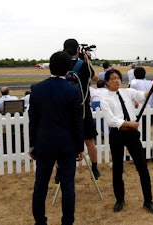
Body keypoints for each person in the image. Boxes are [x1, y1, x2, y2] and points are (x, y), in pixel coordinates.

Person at [29, 51, 84, 225]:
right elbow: (77, 122)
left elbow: (33, 120)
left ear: (50, 67)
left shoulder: (37, 89)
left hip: (43, 144)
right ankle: (67, 221)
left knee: (40, 186)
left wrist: (32, 144)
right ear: (69, 68)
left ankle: (40, 221)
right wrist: (80, 146)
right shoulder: (73, 90)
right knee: (68, 186)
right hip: (67, 145)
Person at [100, 69, 153, 214]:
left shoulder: (128, 92)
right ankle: (119, 199)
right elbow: (111, 120)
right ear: (107, 82)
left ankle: (148, 201)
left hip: (132, 135)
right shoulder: (105, 99)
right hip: (117, 134)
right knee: (118, 168)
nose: (116, 80)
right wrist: (128, 123)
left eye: (118, 78)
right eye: (113, 78)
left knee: (142, 167)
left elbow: (143, 96)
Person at [63, 38, 100, 180]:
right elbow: (95, 78)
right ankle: (95, 168)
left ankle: (60, 173)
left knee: (63, 139)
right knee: (89, 139)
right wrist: (87, 61)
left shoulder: (61, 63)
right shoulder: (83, 65)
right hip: (82, 106)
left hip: (64, 108)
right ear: (78, 49)